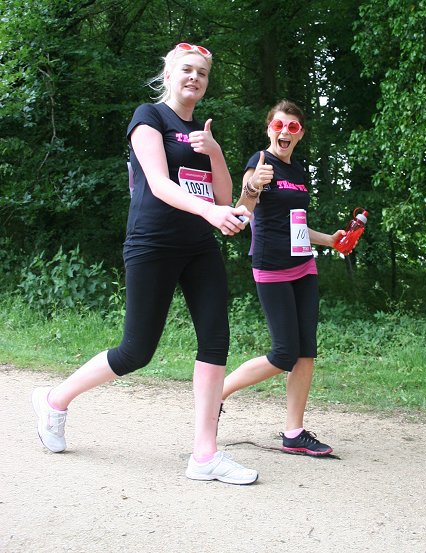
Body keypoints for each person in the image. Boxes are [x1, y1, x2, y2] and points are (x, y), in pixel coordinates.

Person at [32, 43, 258, 485]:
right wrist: (210, 212)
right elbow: (157, 183)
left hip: (198, 247)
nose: (195, 78)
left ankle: (205, 454)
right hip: (153, 244)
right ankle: (55, 400)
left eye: (203, 74)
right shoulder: (148, 117)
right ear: (170, 74)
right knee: (136, 351)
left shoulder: (202, 130)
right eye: (187, 70)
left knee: (215, 341)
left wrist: (213, 151)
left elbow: (225, 196)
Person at [221, 99, 344, 456]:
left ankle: (294, 432)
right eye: (279, 125)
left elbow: (299, 226)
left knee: (306, 353)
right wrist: (254, 186)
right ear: (269, 129)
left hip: (304, 267)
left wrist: (330, 241)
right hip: (272, 268)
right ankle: (217, 393)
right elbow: (242, 212)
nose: (285, 132)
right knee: (283, 353)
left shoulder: (299, 173)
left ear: (300, 133)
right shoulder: (259, 164)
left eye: (292, 127)